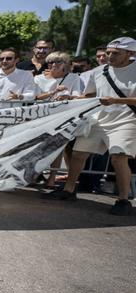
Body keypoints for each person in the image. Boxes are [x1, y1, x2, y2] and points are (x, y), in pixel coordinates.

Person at [44, 37, 136, 215]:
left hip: (126, 119)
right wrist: (72, 98)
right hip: (99, 118)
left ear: (130, 54)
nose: (110, 56)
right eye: (108, 52)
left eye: (116, 53)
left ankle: (123, 199)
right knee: (78, 154)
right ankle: (69, 190)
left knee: (118, 157)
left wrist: (117, 100)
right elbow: (91, 95)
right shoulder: (99, 71)